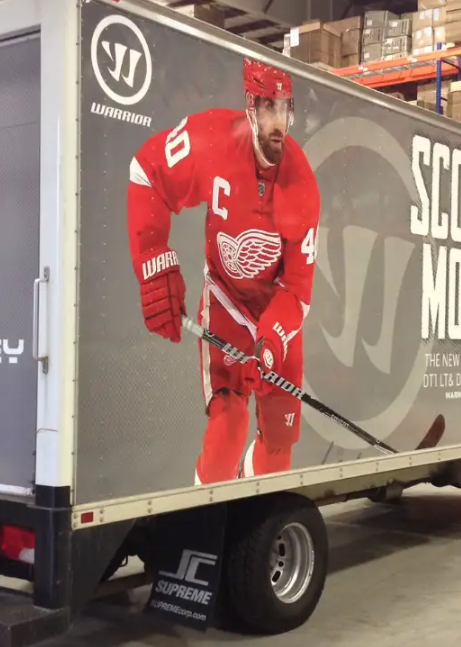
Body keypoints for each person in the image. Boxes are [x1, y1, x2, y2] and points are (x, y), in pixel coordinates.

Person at [127, 58, 321, 485]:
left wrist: (269, 343)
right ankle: (204, 525)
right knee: (227, 429)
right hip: (227, 303)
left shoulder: (302, 184)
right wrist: (154, 258)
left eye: (284, 108)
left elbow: (298, 290)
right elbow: (147, 171)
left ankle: (251, 525)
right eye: (267, 107)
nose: (277, 121)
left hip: (276, 314)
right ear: (250, 107)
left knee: (278, 448)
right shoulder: (210, 140)